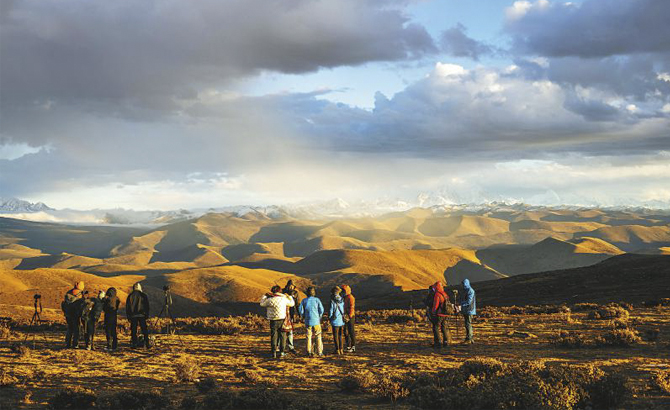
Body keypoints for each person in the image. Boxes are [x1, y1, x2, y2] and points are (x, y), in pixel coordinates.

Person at [260, 285, 295, 359]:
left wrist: (264, 296)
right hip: (282, 319)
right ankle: (282, 352)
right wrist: (289, 296)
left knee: (274, 336)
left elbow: (262, 303)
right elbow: (292, 304)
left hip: (272, 320)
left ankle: (274, 352)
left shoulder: (269, 300)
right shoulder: (283, 299)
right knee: (283, 335)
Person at [298, 286, 325, 357]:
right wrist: (319, 316)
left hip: (308, 320)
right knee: (318, 336)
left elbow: (300, 309)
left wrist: (303, 315)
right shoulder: (317, 300)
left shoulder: (304, 300)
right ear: (314, 293)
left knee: (308, 336)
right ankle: (320, 352)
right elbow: (321, 309)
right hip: (316, 321)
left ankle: (308, 351)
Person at [126, 282, 151, 349]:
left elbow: (127, 307)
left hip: (133, 315)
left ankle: (134, 343)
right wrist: (147, 314)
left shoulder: (130, 296)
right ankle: (147, 343)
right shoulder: (143, 295)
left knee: (133, 330)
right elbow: (147, 306)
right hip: (142, 315)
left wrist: (128, 316)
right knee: (144, 329)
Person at [427, 281, 451, 348]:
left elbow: (435, 305)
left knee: (436, 327)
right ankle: (446, 342)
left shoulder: (437, 294)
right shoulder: (445, 294)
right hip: (446, 314)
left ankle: (438, 343)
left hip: (440, 314)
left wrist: (433, 313)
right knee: (444, 327)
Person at [62, 281, 85, 349]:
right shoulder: (80, 294)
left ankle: (67, 343)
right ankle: (75, 344)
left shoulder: (68, 293)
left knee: (70, 328)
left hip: (68, 314)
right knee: (76, 329)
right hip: (75, 314)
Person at [282, 280, 300, 354]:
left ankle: (290, 347)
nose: (291, 287)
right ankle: (281, 347)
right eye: (290, 285)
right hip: (283, 313)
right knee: (282, 331)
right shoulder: (283, 292)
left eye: (292, 286)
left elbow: (297, 303)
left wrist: (299, 314)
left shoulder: (295, 293)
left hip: (291, 313)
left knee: (290, 331)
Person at [459, 279, 477, 344]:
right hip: (467, 309)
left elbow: (469, 301)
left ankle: (469, 338)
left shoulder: (470, 291)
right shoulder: (465, 290)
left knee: (468, 324)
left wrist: (461, 304)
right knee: (467, 324)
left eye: (462, 284)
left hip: (469, 309)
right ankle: (470, 338)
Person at [329, 286, 345, 355]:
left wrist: (330, 318)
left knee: (335, 335)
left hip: (335, 320)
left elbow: (331, 311)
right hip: (341, 320)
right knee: (340, 335)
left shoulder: (332, 301)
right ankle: (341, 349)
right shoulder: (342, 299)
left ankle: (337, 349)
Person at [103, 287, 120, 351]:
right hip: (114, 316)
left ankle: (109, 345)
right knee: (114, 331)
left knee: (108, 331)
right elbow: (117, 307)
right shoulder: (117, 299)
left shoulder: (107, 299)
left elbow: (104, 308)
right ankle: (115, 345)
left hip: (108, 316)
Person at [342, 285, 356, 353]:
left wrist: (349, 316)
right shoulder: (345, 297)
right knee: (346, 332)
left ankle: (353, 347)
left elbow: (351, 307)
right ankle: (348, 346)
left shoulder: (350, 297)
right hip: (346, 316)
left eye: (344, 291)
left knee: (351, 331)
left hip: (350, 316)